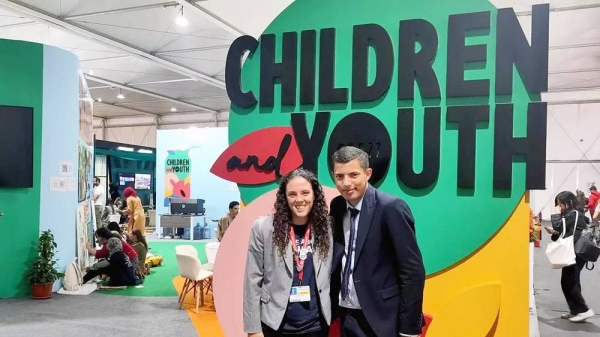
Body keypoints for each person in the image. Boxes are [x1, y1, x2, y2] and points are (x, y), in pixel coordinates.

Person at [329, 146, 426, 337]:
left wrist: (409, 330)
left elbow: (412, 272)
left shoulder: (391, 207)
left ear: (368, 173)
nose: (347, 183)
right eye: (340, 177)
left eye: (353, 175)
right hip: (346, 315)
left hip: (383, 319)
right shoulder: (337, 206)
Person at [243, 168, 333, 337]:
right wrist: (253, 329)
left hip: (316, 326)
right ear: (284, 197)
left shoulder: (327, 227)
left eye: (305, 193)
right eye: (292, 194)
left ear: (314, 195)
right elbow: (252, 280)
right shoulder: (264, 228)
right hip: (275, 324)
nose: (299, 200)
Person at [544, 191, 595, 322]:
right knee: (570, 281)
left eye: (560, 204)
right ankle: (576, 310)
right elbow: (564, 231)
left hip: (576, 252)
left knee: (570, 281)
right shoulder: (572, 215)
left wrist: (556, 215)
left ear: (568, 203)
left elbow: (560, 226)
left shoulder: (574, 214)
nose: (559, 207)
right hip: (573, 251)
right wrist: (555, 231)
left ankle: (584, 310)